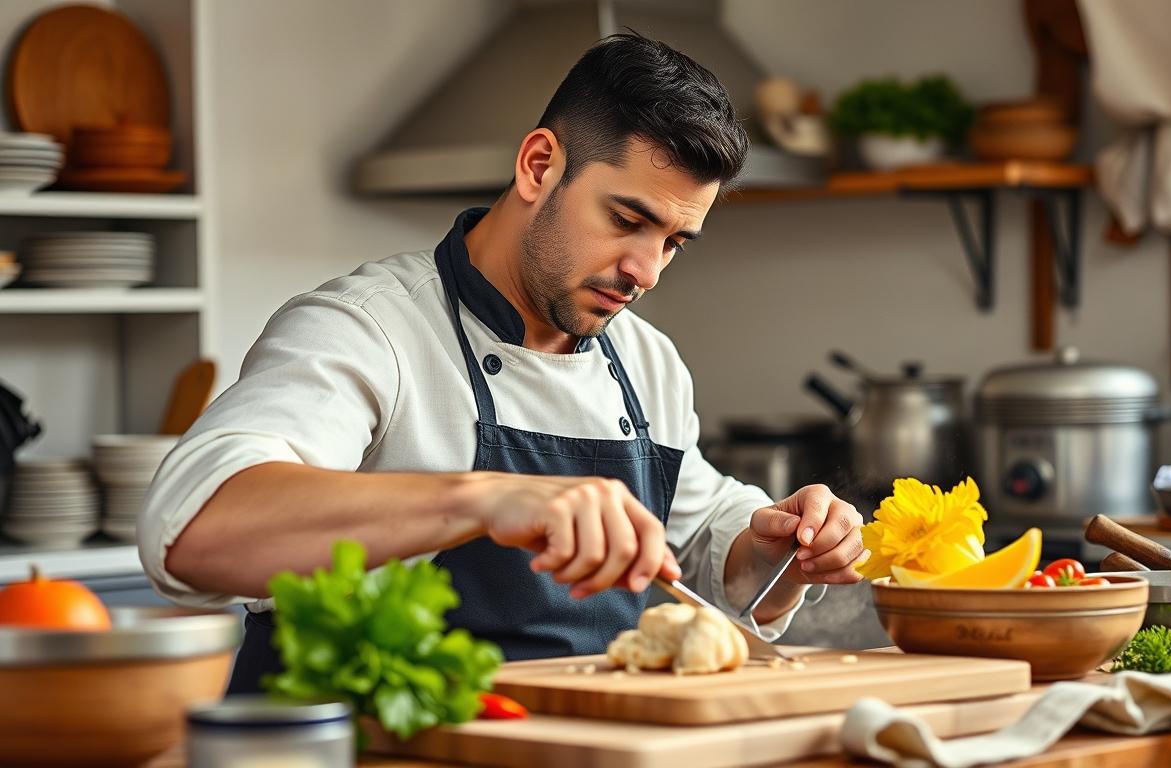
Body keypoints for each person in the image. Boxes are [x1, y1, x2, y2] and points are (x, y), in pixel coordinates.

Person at [139, 33, 867, 694]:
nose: (645, 270)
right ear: (539, 165)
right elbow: (193, 528)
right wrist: (480, 500)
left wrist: (779, 549)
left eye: (675, 241)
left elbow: (709, 543)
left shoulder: (646, 361)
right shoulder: (367, 330)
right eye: (626, 220)